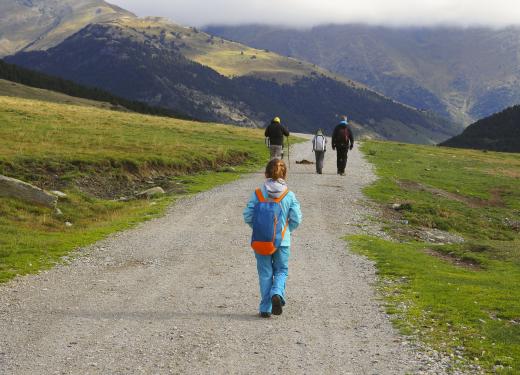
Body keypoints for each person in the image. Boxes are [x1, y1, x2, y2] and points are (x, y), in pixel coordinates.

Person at [243, 159, 302, 318]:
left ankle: (265, 308)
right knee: (281, 270)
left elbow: (247, 215)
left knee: (265, 272)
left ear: (266, 173)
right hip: (282, 241)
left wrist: (260, 228)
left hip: (261, 240)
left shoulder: (258, 193)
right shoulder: (289, 195)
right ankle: (277, 293)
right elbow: (296, 219)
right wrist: (287, 231)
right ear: (285, 175)